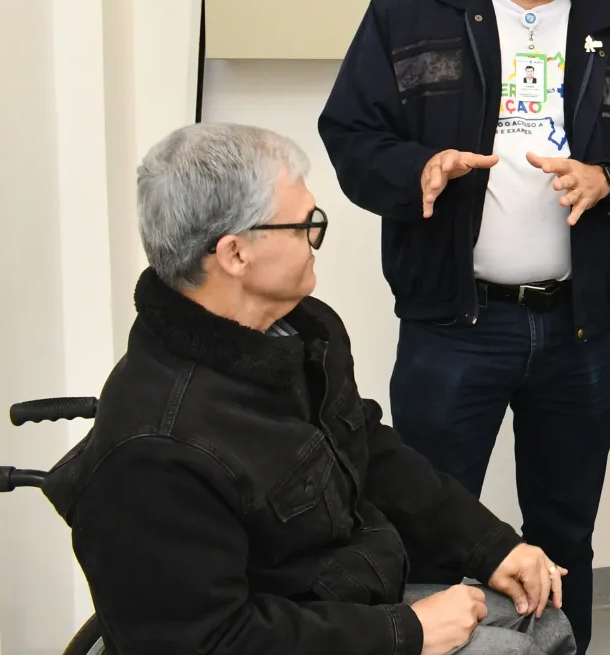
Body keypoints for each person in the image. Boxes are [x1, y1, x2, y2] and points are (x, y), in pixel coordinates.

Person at [319, 0, 610, 650]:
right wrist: (417, 168)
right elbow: (350, 132)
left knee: (565, 528)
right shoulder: (410, 13)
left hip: (579, 327)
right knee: (427, 524)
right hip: (453, 325)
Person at [44, 124, 576, 655]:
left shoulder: (303, 332)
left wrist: (491, 547)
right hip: (292, 632)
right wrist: (406, 633)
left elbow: (369, 449)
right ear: (234, 254)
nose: (315, 239)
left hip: (345, 598)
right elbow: (211, 641)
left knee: (544, 620)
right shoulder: (153, 451)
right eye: (304, 226)